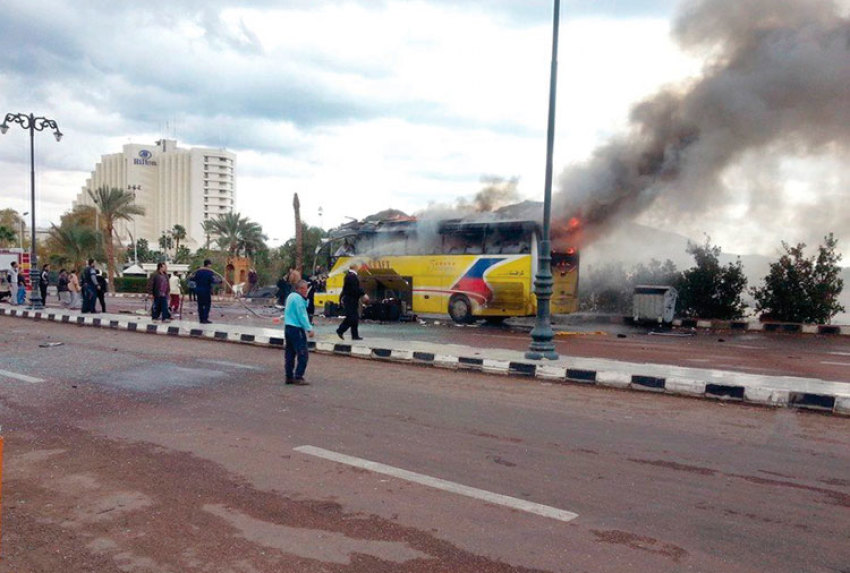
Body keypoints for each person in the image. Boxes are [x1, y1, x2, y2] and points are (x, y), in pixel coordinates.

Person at [284, 279, 314, 385]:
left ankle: (289, 376)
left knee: (290, 353)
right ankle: (298, 376)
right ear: (300, 289)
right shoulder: (298, 299)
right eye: (305, 289)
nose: (306, 291)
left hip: (288, 327)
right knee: (303, 354)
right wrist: (309, 328)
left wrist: (305, 299)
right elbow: (302, 315)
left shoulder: (291, 296)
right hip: (297, 328)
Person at [336, 264, 367, 340]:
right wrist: (363, 294)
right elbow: (355, 289)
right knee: (352, 317)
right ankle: (340, 330)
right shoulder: (352, 276)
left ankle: (355, 335)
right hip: (350, 300)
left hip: (352, 300)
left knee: (355, 318)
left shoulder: (350, 275)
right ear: (355, 268)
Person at [191, 259, 219, 324]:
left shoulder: (198, 272)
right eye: (210, 264)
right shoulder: (209, 272)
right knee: (207, 305)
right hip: (206, 291)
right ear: (208, 264)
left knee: (200, 305)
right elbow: (212, 280)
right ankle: (205, 318)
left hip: (198, 290)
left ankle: (201, 319)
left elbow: (193, 279)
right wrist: (220, 281)